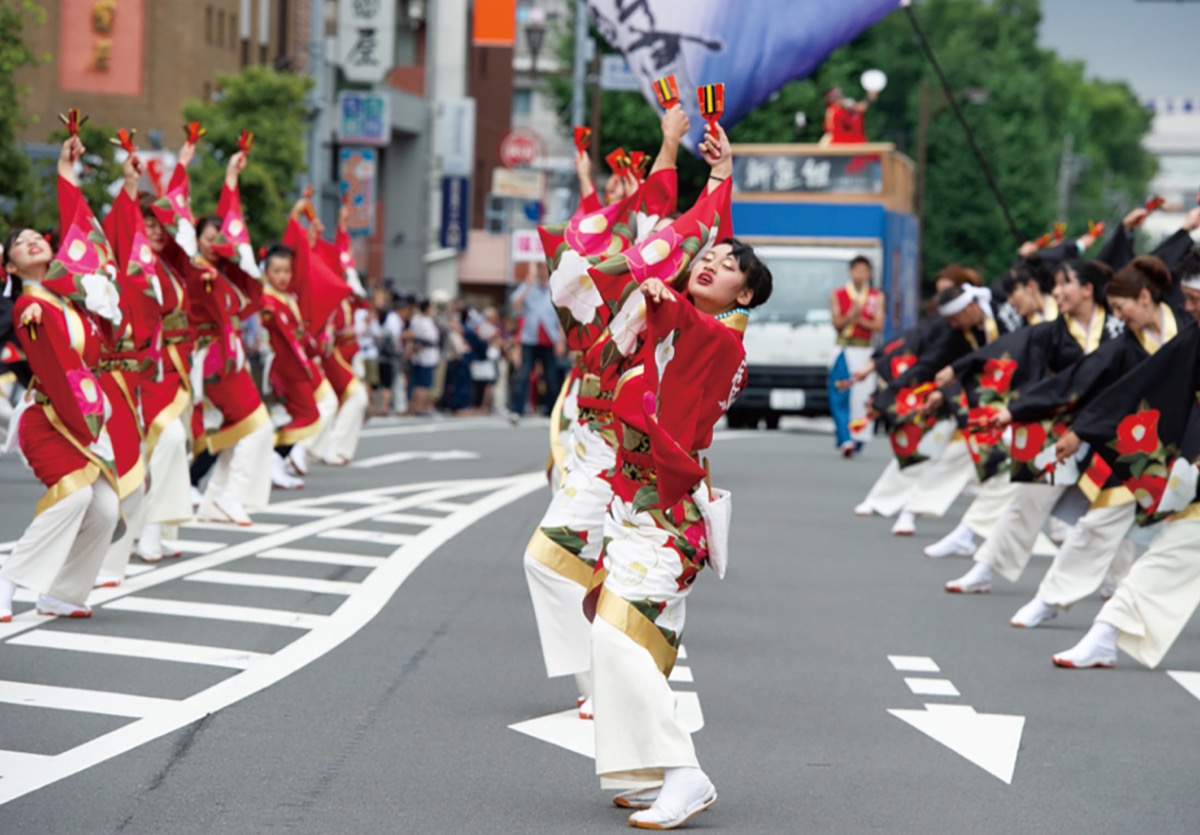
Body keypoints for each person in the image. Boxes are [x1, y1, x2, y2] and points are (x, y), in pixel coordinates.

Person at [585, 122, 773, 830]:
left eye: (727, 266)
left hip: (667, 517)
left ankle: (685, 772)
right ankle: (641, 770)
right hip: (638, 507)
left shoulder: (718, 340)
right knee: (632, 639)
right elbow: (674, 248)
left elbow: (677, 307)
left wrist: (666, 295)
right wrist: (719, 182)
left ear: (745, 298)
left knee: (611, 635)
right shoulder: (680, 320)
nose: (710, 262)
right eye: (712, 255)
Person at [955, 257, 1183, 629]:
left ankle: (1116, 589)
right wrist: (1018, 411)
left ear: (1144, 297)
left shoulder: (1182, 329)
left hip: (1179, 442)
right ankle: (1045, 595)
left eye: (1066, 283)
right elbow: (1078, 380)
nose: (1058, 291)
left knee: (1177, 539)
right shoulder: (1117, 341)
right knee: (1090, 517)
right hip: (1110, 433)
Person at [0, 135, 123, 620]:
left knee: (106, 510)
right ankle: (7, 579)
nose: (33, 239)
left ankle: (63, 593)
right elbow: (56, 367)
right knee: (73, 498)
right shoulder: (30, 306)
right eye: (19, 242)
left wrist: (67, 172)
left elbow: (80, 232)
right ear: (10, 266)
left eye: (38, 236)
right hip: (50, 418)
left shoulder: (75, 304)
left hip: (85, 417)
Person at [189, 149, 274, 526]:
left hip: (227, 353)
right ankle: (231, 496)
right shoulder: (192, 269)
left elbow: (231, 224)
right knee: (259, 426)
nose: (215, 242)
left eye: (217, 237)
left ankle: (213, 502)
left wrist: (231, 178)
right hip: (210, 357)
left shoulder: (222, 272)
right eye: (207, 237)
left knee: (236, 433)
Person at [828, 255, 885, 457]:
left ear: (869, 273)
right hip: (844, 350)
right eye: (857, 270)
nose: (861, 274)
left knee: (862, 397)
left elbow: (878, 325)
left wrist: (859, 318)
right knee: (840, 394)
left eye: (864, 271)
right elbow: (837, 325)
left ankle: (858, 437)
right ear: (851, 272)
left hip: (865, 350)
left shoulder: (876, 297)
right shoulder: (839, 294)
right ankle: (845, 438)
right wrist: (851, 315)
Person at [509, 264, 565, 420]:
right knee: (523, 374)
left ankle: (551, 410)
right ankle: (517, 409)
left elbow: (560, 317)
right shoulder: (528, 288)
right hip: (529, 338)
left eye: (544, 269)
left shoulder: (554, 289)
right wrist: (527, 283)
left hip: (549, 338)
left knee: (551, 377)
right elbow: (515, 303)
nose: (542, 272)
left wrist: (561, 341)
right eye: (539, 269)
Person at [406, 296, 440, 416]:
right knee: (422, 384)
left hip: (423, 354)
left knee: (418, 383)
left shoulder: (419, 319)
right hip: (424, 353)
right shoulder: (421, 321)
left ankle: (416, 407)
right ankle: (418, 408)